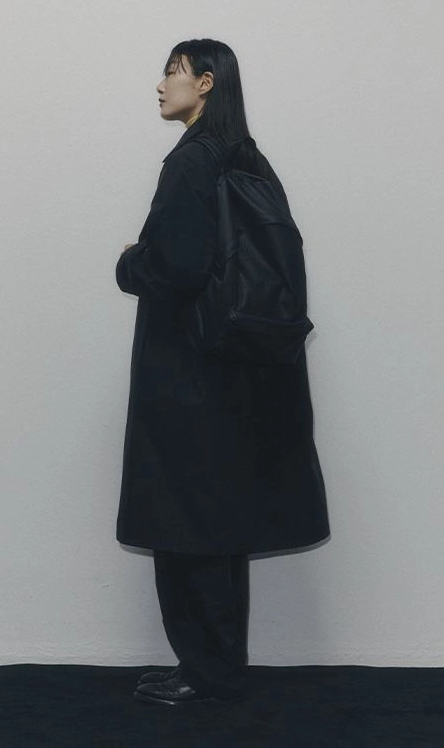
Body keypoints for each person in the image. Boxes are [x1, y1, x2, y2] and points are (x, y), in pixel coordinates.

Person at [115, 39, 330, 707]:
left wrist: (129, 261)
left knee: (183, 524)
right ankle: (217, 668)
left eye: (172, 73)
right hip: (238, 370)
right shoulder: (246, 157)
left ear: (205, 83)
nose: (160, 85)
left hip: (186, 371)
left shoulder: (191, 160)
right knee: (219, 525)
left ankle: (202, 671)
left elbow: (176, 267)